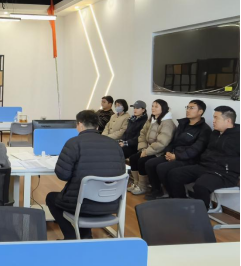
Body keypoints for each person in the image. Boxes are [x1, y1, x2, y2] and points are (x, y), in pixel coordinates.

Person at [46, 110, 126, 240]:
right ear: (97, 126)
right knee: (84, 195)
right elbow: (121, 172)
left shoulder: (73, 143)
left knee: (52, 198)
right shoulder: (114, 144)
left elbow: (63, 175)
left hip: (82, 205)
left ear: (80, 124)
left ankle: (71, 236)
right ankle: (85, 236)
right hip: (112, 204)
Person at [168, 106, 240, 209]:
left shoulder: (237, 136)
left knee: (201, 185)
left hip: (224, 173)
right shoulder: (215, 133)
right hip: (206, 167)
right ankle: (182, 205)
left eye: (216, 118)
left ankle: (201, 213)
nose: (213, 121)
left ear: (228, 120)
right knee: (175, 174)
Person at [144, 100, 212, 201]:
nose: (188, 110)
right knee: (150, 163)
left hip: (189, 159)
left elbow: (196, 149)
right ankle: (158, 191)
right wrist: (168, 151)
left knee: (162, 168)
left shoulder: (204, 129)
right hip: (174, 155)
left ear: (200, 112)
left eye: (191, 108)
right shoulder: (183, 124)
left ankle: (176, 197)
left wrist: (177, 156)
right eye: (187, 107)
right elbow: (173, 141)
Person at [129, 99, 176, 196]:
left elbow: (162, 143)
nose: (153, 108)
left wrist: (146, 152)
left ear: (163, 108)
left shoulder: (167, 123)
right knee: (133, 158)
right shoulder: (152, 119)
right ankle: (137, 183)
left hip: (160, 152)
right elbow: (142, 134)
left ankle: (143, 186)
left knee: (142, 161)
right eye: (152, 106)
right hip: (149, 149)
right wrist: (143, 149)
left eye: (156, 106)